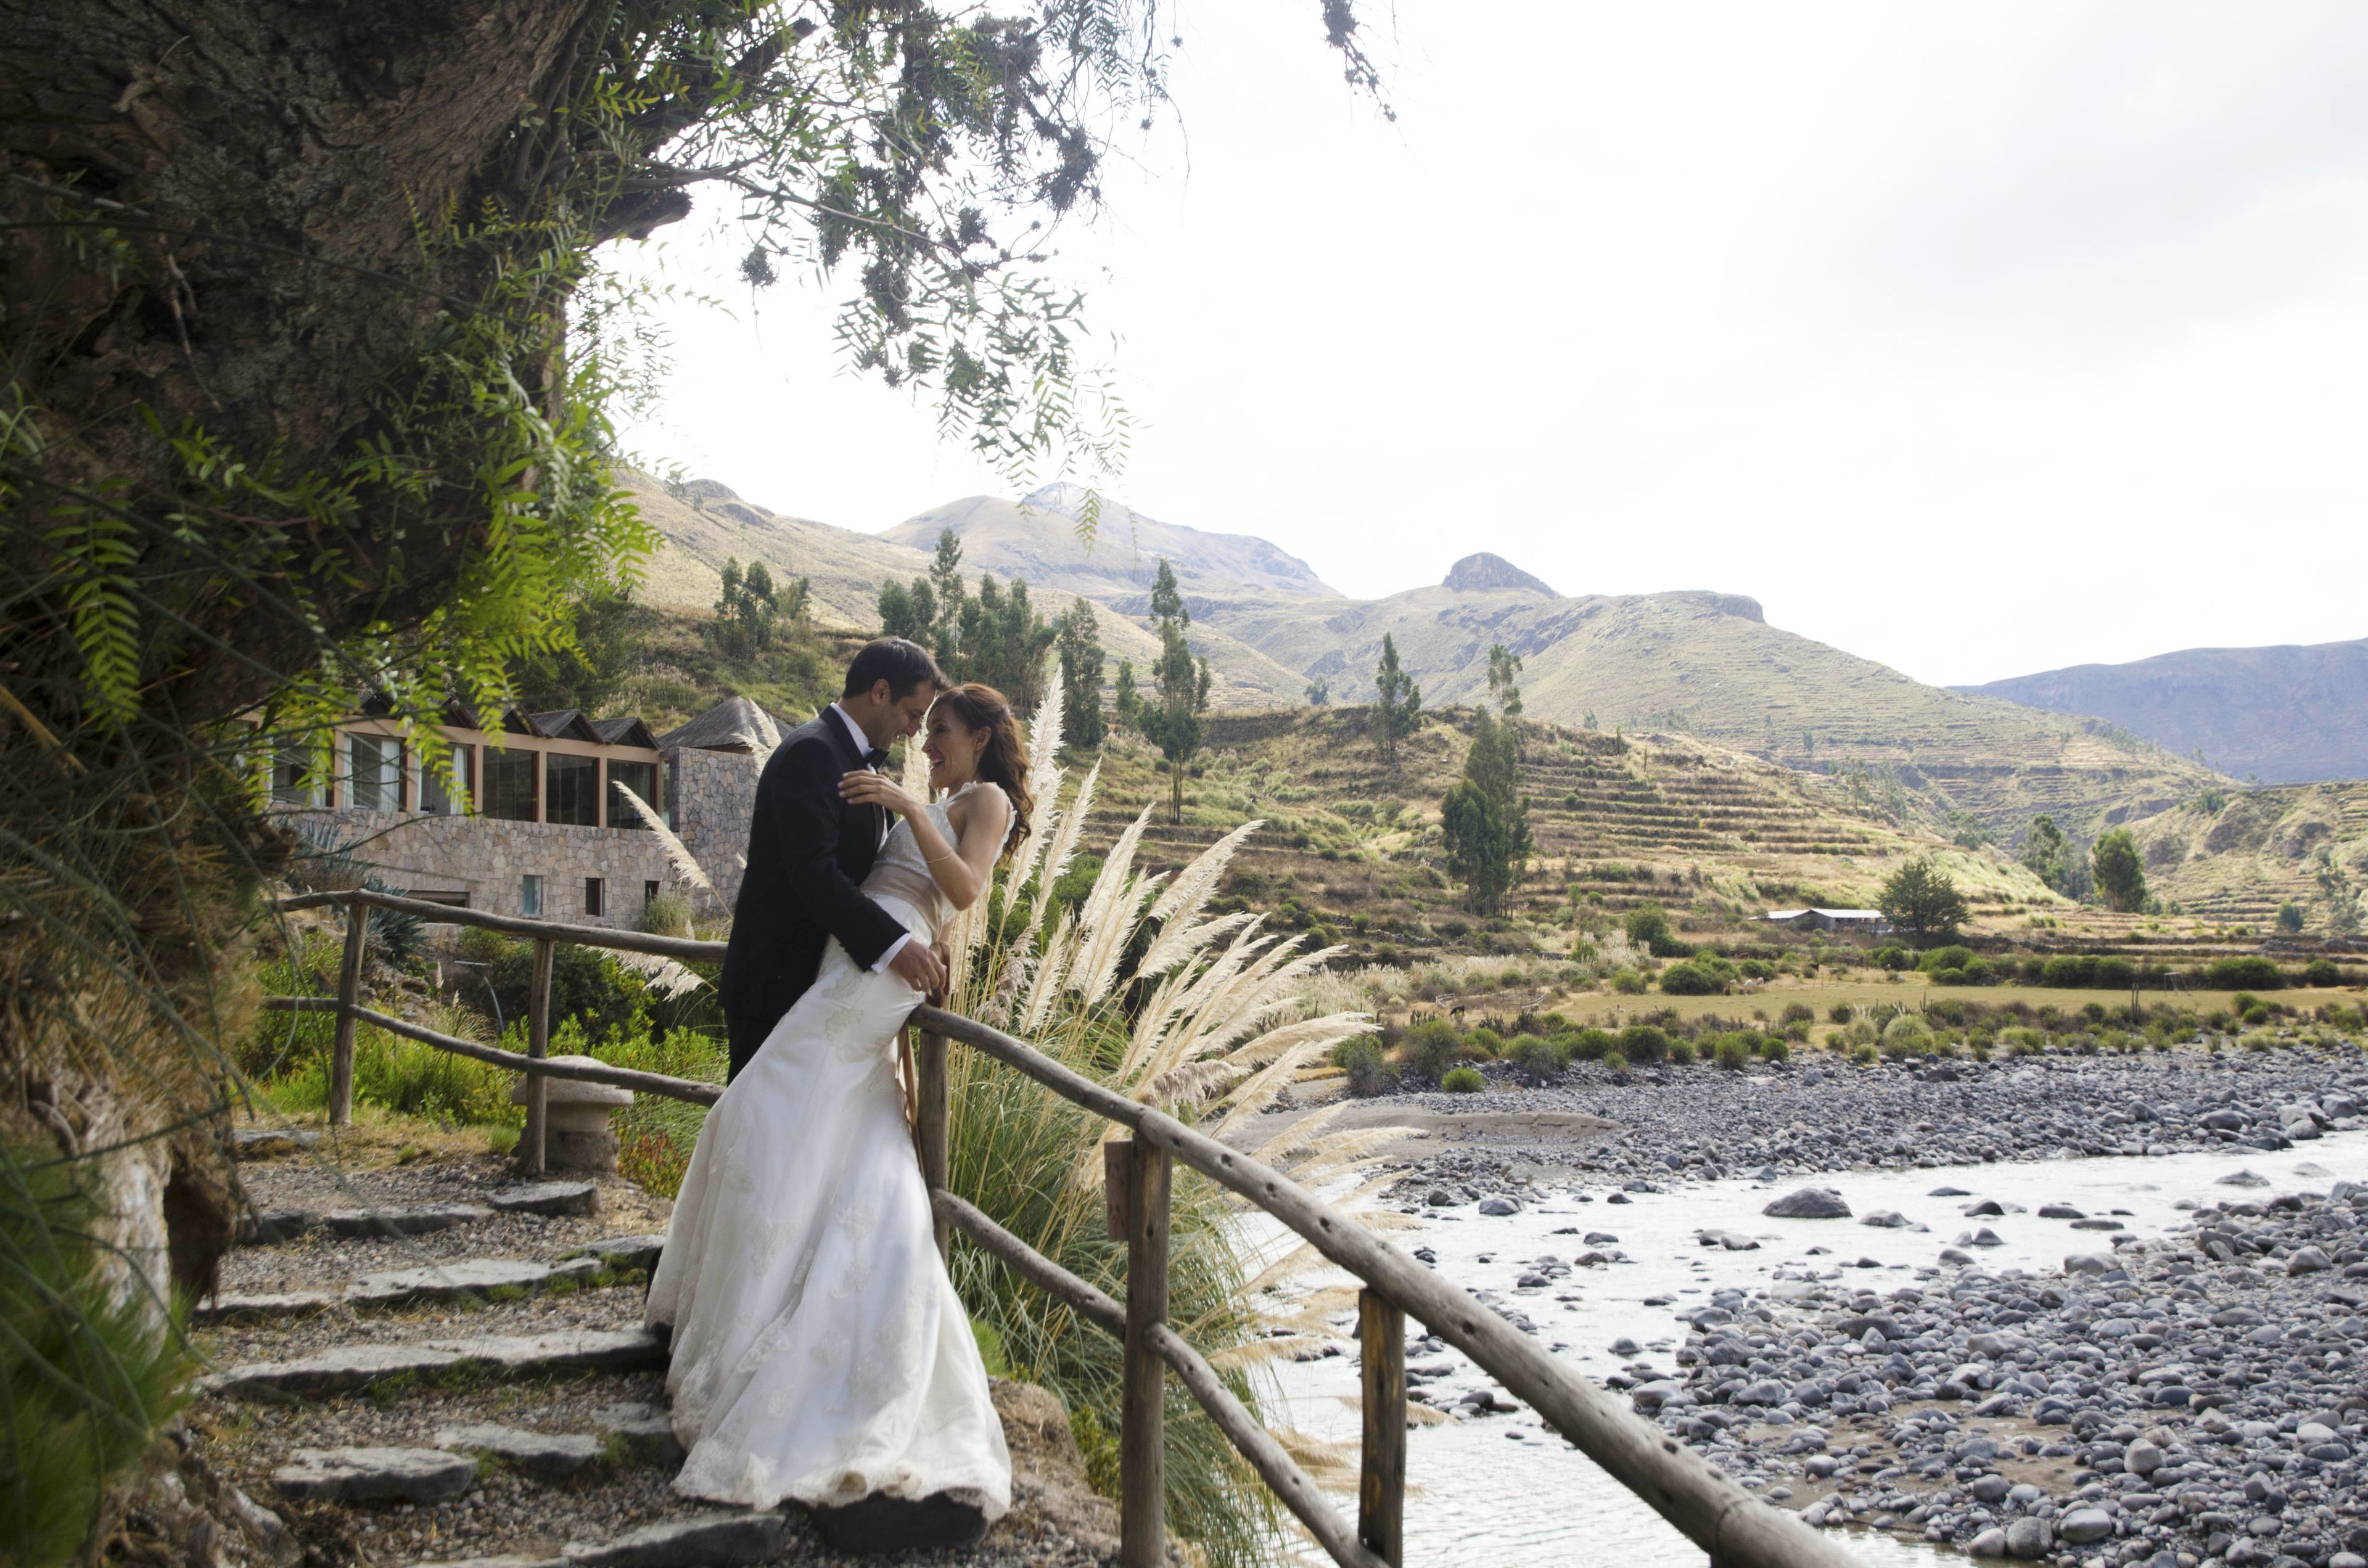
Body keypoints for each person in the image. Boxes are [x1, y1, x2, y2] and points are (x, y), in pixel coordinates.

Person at [648, 681, 1034, 1551]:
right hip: (859, 955)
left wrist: (908, 806)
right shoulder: (943, 795)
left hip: (881, 965)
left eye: (941, 729)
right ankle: (814, 1289)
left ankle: (779, 1326)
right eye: (924, 728)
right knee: (843, 1126)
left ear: (980, 735)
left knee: (761, 1103)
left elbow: (965, 888)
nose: (926, 743)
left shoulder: (987, 799)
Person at [716, 638, 952, 1084]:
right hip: (777, 987)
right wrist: (897, 945)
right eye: (912, 715)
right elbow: (814, 873)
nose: (913, 732)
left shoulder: (855, 760)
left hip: (822, 989)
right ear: (880, 692)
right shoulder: (813, 752)